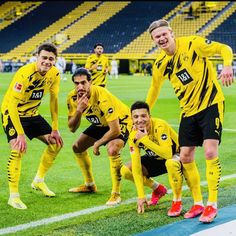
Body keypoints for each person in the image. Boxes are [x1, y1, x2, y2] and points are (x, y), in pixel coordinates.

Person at [146, 19, 234, 223]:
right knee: (185, 156)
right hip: (187, 111)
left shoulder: (193, 44)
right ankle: (197, 203)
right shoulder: (160, 64)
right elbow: (154, 89)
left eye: (163, 34)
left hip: (211, 104)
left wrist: (228, 66)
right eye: (157, 37)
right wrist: (145, 111)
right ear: (153, 40)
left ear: (171, 33)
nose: (161, 39)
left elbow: (225, 48)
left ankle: (212, 204)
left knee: (210, 151)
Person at [1, 43, 64, 210]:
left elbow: (54, 100)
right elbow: (12, 105)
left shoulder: (55, 74)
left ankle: (39, 181)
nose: (47, 62)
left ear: (55, 61)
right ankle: (13, 196)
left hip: (32, 114)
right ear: (37, 57)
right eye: (44, 57)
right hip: (12, 114)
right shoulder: (24, 74)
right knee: (17, 148)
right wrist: (20, 134)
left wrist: (55, 128)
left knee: (56, 143)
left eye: (51, 59)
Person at [67, 68, 131, 206]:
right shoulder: (72, 97)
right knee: (77, 147)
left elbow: (115, 130)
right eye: (76, 83)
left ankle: (116, 193)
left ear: (90, 82)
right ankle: (89, 185)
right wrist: (79, 110)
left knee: (112, 149)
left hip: (121, 121)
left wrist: (98, 143)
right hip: (101, 122)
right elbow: (72, 128)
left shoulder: (102, 96)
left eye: (83, 83)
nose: (80, 87)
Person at [121, 101, 184, 215]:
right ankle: (158, 189)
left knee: (170, 162)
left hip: (177, 156)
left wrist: (144, 139)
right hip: (156, 158)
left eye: (143, 116)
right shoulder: (132, 134)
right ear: (131, 119)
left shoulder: (160, 125)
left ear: (150, 116)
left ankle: (177, 201)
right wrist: (141, 195)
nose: (139, 120)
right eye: (136, 117)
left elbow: (167, 154)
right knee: (125, 170)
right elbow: (136, 165)